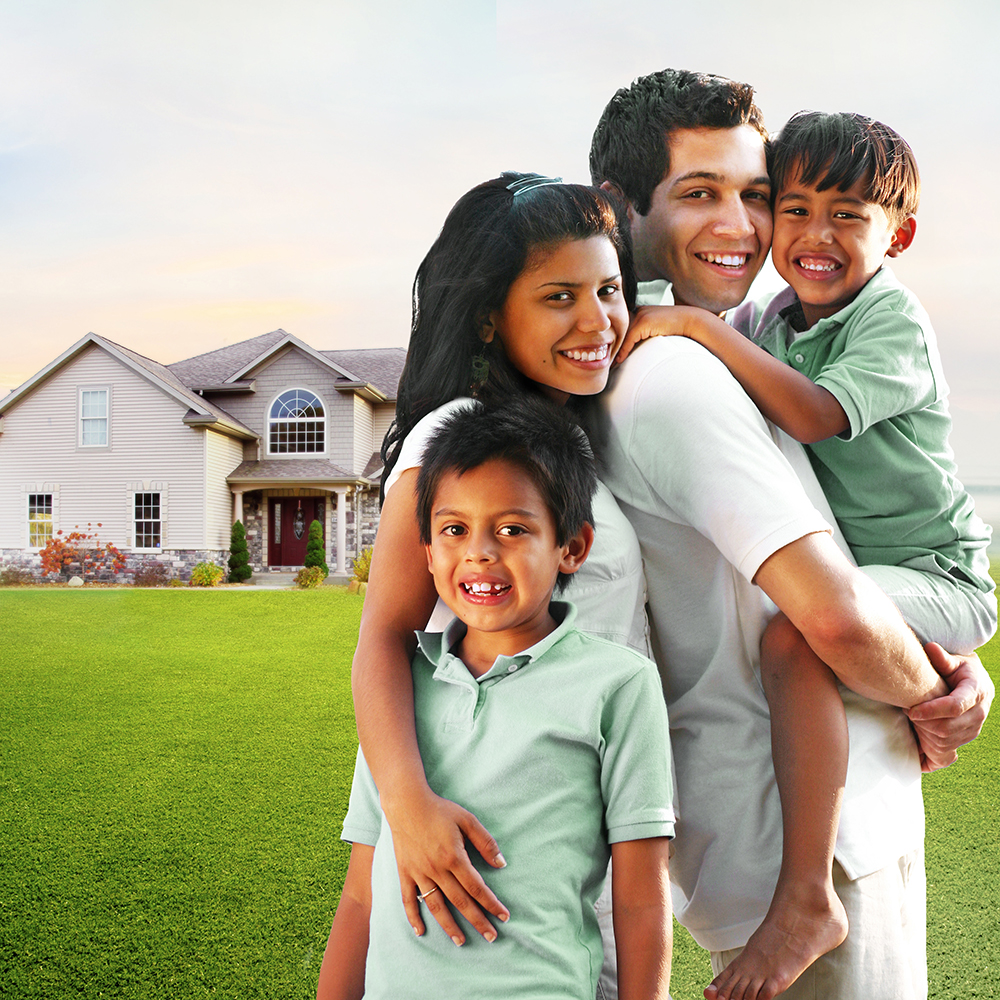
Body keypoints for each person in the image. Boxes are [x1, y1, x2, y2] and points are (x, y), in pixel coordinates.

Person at [589, 68, 995, 1000]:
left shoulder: (744, 335)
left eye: (753, 194)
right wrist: (935, 684)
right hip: (806, 852)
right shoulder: (680, 368)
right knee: (799, 639)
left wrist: (937, 676)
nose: (754, 227)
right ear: (619, 207)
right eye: (700, 194)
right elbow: (836, 625)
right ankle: (806, 900)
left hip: (861, 798)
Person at [346, 173, 656, 994]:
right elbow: (384, 636)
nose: (598, 321)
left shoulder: (565, 433)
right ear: (490, 315)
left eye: (609, 289)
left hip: (572, 825)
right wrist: (408, 811)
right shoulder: (456, 437)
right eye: (560, 296)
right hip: (486, 825)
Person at [316, 399, 674, 1000]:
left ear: (572, 547)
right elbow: (358, 895)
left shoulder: (619, 684)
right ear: (427, 551)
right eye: (454, 530)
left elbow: (640, 899)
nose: (479, 552)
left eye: (512, 529)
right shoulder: (399, 695)